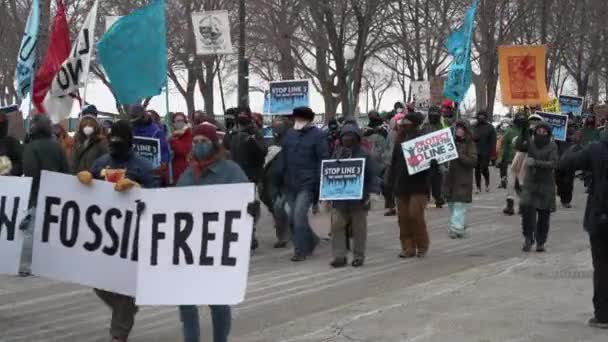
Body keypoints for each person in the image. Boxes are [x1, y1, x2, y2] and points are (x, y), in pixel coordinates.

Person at [176, 123, 258, 342]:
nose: (199, 145)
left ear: (214, 144)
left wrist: (251, 210)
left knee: (218, 301)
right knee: (186, 302)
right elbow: (173, 207)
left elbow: (247, 204)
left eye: (204, 141)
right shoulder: (187, 174)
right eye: (195, 142)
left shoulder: (231, 171)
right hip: (189, 247)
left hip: (218, 247)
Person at [77, 120, 156, 342]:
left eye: (119, 142)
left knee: (123, 286)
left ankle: (118, 334)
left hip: (133, 236)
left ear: (129, 143)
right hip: (103, 234)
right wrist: (86, 179)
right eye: (112, 141)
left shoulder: (143, 166)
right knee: (100, 283)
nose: (114, 145)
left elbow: (158, 194)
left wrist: (138, 188)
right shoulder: (101, 162)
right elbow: (87, 190)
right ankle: (127, 308)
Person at [559, 126, 608, 329]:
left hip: (601, 216)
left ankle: (604, 316)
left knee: (603, 267)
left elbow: (565, 164)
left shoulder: (596, 149)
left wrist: (575, 146)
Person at [275, 107, 328, 262]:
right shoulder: (289, 135)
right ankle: (311, 239)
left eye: (300, 118)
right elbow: (283, 157)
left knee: (298, 215)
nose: (297, 121)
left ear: (309, 120)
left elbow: (323, 160)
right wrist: (278, 176)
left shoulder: (318, 136)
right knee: (292, 217)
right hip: (289, 183)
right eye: (296, 118)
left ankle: (300, 250)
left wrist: (319, 183)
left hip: (308, 183)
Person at [20, 115, 70, 276]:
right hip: (56, 196)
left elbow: (30, 173)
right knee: (52, 231)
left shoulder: (31, 147)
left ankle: (27, 265)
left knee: (31, 232)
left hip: (35, 196)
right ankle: (51, 263)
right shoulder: (57, 147)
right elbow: (66, 171)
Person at [329, 121, 379, 268]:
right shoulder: (337, 153)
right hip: (339, 198)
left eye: (350, 136)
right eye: (344, 136)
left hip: (359, 198)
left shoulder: (364, 154)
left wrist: (373, 193)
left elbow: (373, 175)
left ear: (357, 137)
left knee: (359, 229)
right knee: (336, 225)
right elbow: (329, 172)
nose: (347, 139)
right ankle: (339, 256)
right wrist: (325, 195)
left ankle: (358, 256)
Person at [223, 107, 267, 250]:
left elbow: (262, 153)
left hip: (251, 175)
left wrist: (251, 140)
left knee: (250, 206)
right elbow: (224, 151)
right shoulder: (231, 134)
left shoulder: (255, 134)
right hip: (234, 176)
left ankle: (251, 233)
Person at [388, 112, 430, 258]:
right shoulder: (399, 141)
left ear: (414, 124)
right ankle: (408, 247)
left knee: (415, 215)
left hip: (419, 186)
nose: (404, 125)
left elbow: (432, 168)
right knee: (403, 218)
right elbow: (393, 164)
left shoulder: (423, 141)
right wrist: (390, 183)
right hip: (401, 185)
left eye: (407, 123)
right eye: (403, 123)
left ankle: (422, 245)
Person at [517, 122, 558, 252]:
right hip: (530, 182)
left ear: (548, 134)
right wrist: (524, 132)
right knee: (527, 212)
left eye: (544, 132)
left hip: (546, 183)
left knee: (544, 215)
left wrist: (536, 163)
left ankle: (541, 241)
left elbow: (553, 163)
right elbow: (518, 146)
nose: (541, 134)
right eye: (538, 131)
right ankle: (528, 238)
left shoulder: (552, 146)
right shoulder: (530, 143)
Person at [260, 117, 292, 248]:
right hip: (272, 181)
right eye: (275, 124)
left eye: (279, 124)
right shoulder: (270, 142)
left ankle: (287, 236)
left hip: (287, 181)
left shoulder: (291, 141)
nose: (276, 127)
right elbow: (264, 162)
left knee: (285, 209)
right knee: (277, 209)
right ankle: (282, 236)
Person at [445, 120, 477, 238]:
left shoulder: (470, 144)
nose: (458, 130)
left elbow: (473, 161)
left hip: (463, 179)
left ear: (465, 131)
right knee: (452, 205)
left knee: (459, 205)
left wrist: (460, 155)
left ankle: (456, 228)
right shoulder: (449, 142)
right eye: (457, 128)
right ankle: (459, 224)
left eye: (461, 128)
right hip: (450, 179)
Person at [130, 105, 170, 185]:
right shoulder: (131, 131)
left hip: (153, 173)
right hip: (134, 172)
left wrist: (164, 162)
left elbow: (165, 150)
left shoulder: (157, 131)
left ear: (145, 116)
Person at [72, 106, 108, 174]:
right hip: (78, 178)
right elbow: (73, 161)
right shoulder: (77, 140)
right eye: (85, 124)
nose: (87, 127)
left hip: (95, 179)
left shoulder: (101, 141)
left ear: (95, 126)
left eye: (90, 125)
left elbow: (105, 161)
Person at [424, 106, 447, 208]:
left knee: (439, 177)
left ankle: (439, 197)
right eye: (432, 115)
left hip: (440, 157)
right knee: (427, 178)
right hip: (427, 157)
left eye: (435, 115)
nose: (433, 117)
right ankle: (426, 197)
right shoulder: (424, 126)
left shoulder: (443, 125)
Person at [555, 115, 577, 208]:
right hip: (559, 161)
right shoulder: (558, 135)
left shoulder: (575, 134)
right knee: (559, 180)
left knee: (568, 182)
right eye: (568, 125)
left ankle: (566, 200)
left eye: (571, 125)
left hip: (570, 162)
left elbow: (576, 142)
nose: (569, 127)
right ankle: (561, 193)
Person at [498, 113, 524, 189]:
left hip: (523, 158)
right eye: (520, 119)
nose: (521, 121)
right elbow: (503, 145)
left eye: (522, 119)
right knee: (513, 180)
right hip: (511, 158)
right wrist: (500, 158)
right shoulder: (509, 132)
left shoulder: (526, 131)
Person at [473, 111, 496, 193]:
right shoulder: (474, 126)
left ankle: (487, 183)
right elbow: (470, 137)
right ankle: (478, 187)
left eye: (483, 116)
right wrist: (473, 138)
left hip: (486, 151)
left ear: (485, 117)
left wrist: (493, 153)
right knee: (477, 169)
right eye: (479, 116)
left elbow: (493, 140)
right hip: (476, 151)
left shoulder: (490, 127)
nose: (481, 118)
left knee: (484, 168)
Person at [169, 112, 193, 185]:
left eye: (182, 120)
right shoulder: (171, 134)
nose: (180, 123)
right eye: (178, 121)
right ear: (173, 123)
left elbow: (183, 150)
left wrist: (173, 140)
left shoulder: (188, 134)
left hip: (184, 170)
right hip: (171, 171)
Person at [0, 109, 23, 176]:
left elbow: (21, 163)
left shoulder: (11, 142)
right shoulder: (12, 142)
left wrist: (10, 172)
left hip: (7, 182)